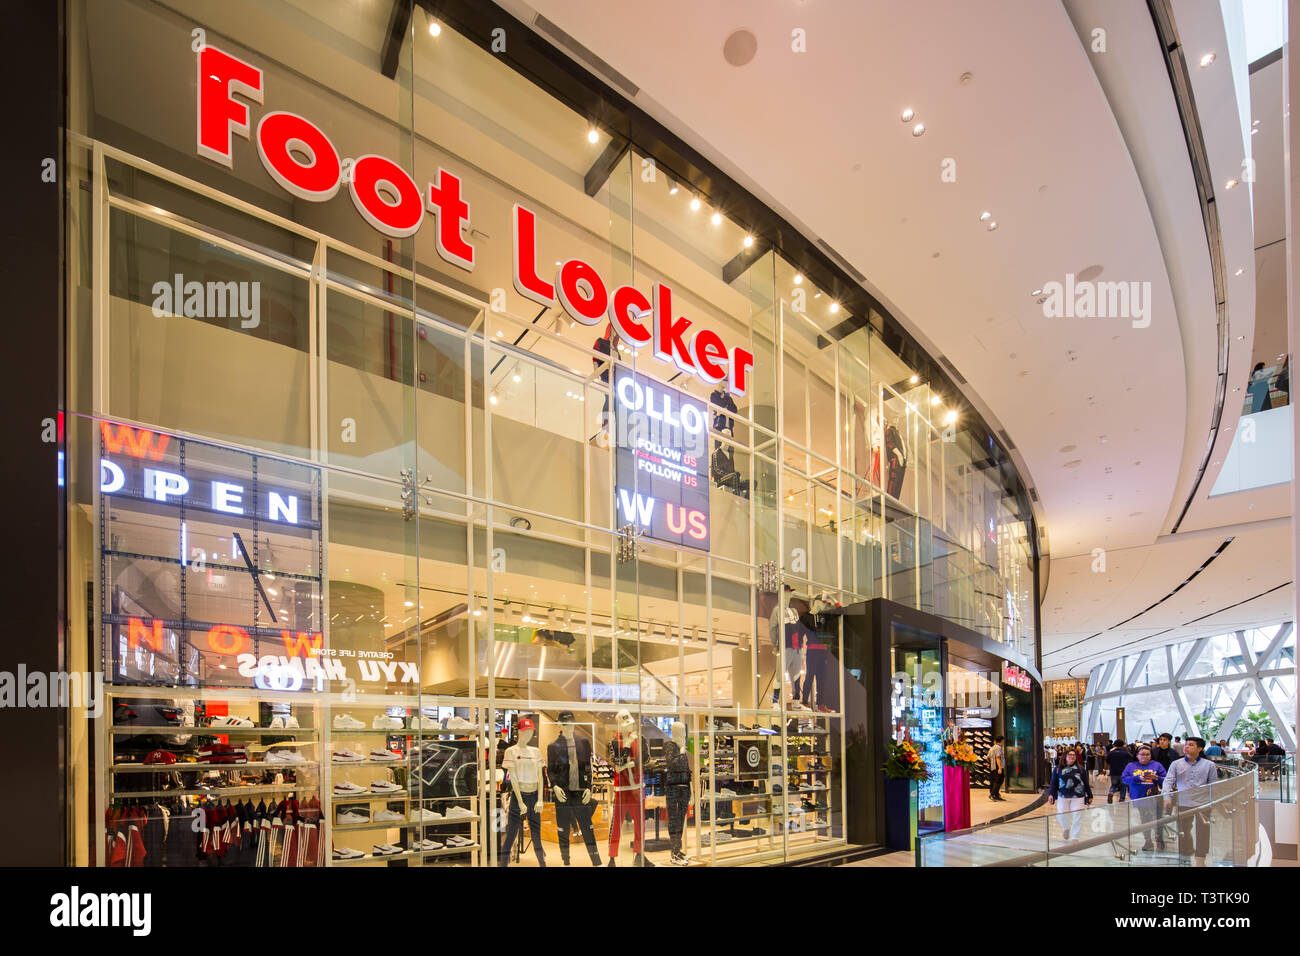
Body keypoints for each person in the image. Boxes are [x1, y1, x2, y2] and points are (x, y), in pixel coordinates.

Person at [1162, 736, 1218, 866]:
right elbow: (1168, 780)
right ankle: (1185, 853)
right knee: (1183, 830)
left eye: (1191, 745)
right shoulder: (1176, 764)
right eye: (1186, 744)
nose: (1186, 747)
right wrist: (1166, 797)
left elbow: (1213, 785)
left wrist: (1212, 801)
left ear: (1200, 748)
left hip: (1203, 803)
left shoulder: (1209, 765)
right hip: (1183, 802)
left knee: (1203, 829)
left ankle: (1201, 855)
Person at [1121, 744, 1167, 852]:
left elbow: (1166, 779)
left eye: (1147, 754)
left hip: (1155, 796)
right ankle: (1148, 840)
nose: (1145, 757)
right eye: (1142, 754)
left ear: (1151, 756)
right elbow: (1124, 779)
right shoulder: (1131, 766)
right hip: (1139, 797)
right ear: (1137, 755)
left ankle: (1159, 838)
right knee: (1145, 819)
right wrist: (1138, 777)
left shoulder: (1157, 765)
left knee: (1158, 818)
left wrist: (1156, 777)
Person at [1048, 748, 1092, 841]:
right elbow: (1053, 782)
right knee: (1062, 814)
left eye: (1074, 755)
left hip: (1078, 796)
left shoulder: (1081, 769)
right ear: (1065, 757)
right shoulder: (1057, 769)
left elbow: (1086, 783)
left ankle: (1075, 837)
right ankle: (1066, 828)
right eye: (1069, 755)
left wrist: (1090, 795)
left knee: (1077, 816)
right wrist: (1051, 794)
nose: (1072, 757)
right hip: (1063, 795)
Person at [1105, 740, 1132, 804]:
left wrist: (1104, 770)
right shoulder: (1125, 753)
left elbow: (1107, 762)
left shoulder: (1111, 753)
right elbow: (1131, 760)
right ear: (1123, 745)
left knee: (1114, 785)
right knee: (1123, 786)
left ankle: (1111, 792)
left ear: (1114, 745)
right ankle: (1122, 798)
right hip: (1123, 772)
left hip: (1113, 772)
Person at [987, 735, 1005, 801]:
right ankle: (992, 794)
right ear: (1001, 741)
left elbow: (987, 758)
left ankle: (996, 795)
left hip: (993, 767)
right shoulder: (998, 748)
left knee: (995, 781)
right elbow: (998, 758)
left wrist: (991, 763)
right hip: (998, 766)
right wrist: (1000, 768)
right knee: (999, 781)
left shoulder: (992, 748)